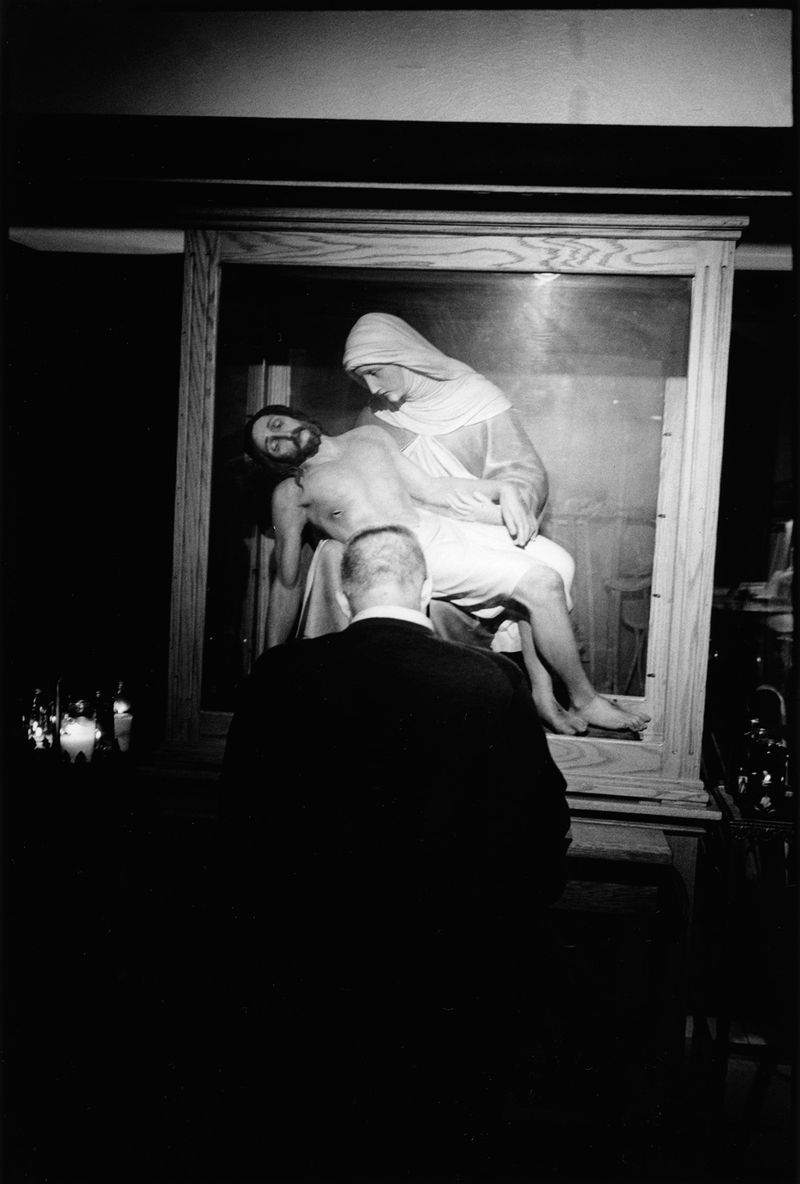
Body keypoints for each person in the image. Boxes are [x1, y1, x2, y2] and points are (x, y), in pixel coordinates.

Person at [218, 524, 572, 1173]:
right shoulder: (488, 679)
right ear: (430, 590)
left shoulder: (279, 675)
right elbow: (543, 829)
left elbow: (239, 825)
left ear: (348, 599)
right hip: (445, 985)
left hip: (305, 981)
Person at [245, 403, 649, 734]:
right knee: (539, 584)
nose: (282, 437)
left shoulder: (368, 437)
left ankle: (544, 698)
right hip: (400, 555)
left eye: (277, 425)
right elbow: (286, 580)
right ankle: (585, 698)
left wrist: (502, 489)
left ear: (296, 415)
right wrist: (265, 662)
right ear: (274, 462)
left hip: (437, 528)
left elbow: (433, 489)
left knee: (554, 563)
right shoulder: (291, 493)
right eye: (272, 445)